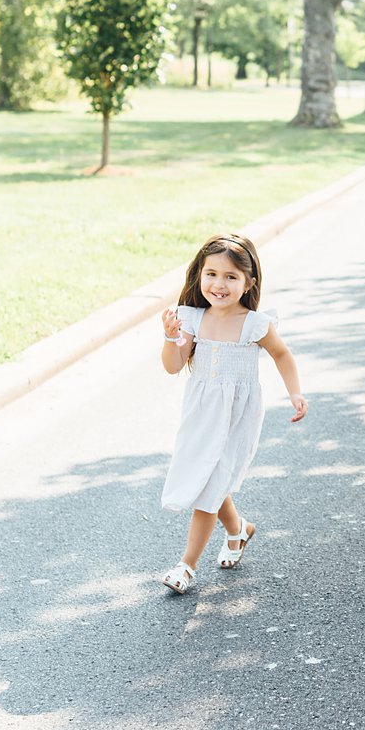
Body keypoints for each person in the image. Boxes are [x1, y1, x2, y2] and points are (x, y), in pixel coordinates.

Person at [157, 233, 308, 594]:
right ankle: (238, 529)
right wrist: (169, 337)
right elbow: (174, 366)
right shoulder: (191, 319)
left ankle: (187, 566)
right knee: (210, 475)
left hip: (238, 416)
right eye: (211, 274)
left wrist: (295, 392)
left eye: (230, 277)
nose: (219, 284)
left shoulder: (255, 324)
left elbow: (282, 355)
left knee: (211, 479)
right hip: (202, 413)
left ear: (249, 282)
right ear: (198, 276)